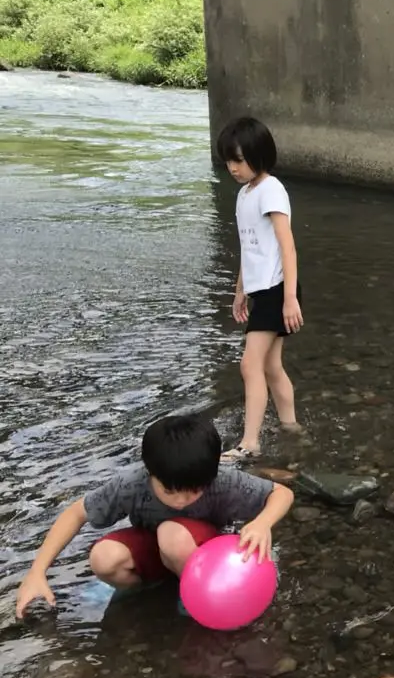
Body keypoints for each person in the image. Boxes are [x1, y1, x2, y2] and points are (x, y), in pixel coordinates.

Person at [14, 414, 293, 619]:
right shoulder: (132, 483)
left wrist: (261, 523)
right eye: (170, 490)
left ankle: (192, 599)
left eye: (194, 491)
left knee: (171, 535)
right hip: (159, 551)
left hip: (201, 555)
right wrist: (37, 572)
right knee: (103, 557)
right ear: (150, 473)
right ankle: (143, 590)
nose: (182, 500)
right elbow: (76, 513)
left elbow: (281, 493)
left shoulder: (220, 480)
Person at [215, 117, 304, 463]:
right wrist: (240, 291)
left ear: (258, 155)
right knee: (269, 366)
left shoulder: (271, 189)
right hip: (260, 289)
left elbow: (288, 247)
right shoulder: (244, 194)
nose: (232, 168)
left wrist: (290, 298)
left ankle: (250, 442)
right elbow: (248, 248)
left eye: (238, 160)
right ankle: (291, 427)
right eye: (228, 161)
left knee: (249, 364)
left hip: (277, 288)